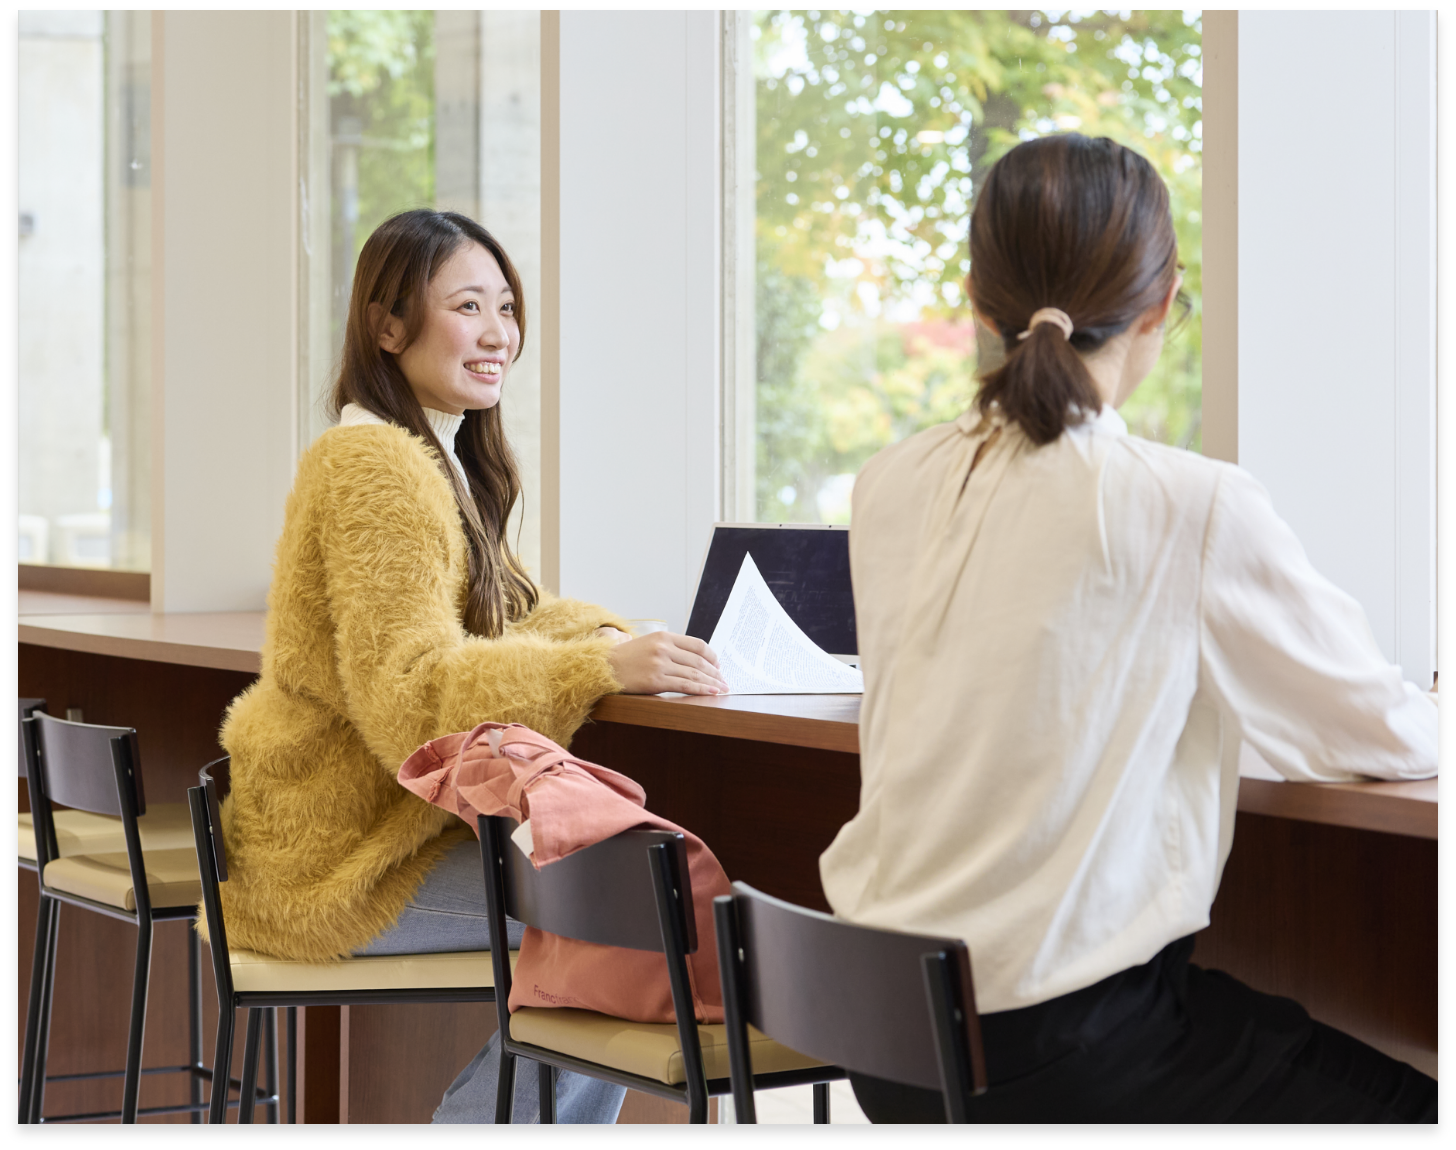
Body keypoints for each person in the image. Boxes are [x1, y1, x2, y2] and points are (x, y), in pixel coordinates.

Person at [821, 134, 1438, 1123]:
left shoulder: (890, 480)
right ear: (1161, 305)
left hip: (886, 1032)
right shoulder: (1186, 503)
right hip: (1065, 1055)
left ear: (979, 300)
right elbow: (1381, 732)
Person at [208, 209, 729, 1123]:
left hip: (376, 840)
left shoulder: (431, 455)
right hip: (342, 869)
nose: (499, 334)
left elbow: (512, 618)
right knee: (638, 918)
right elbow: (413, 696)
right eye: (468, 307)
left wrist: (617, 639)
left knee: (634, 899)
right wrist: (601, 669)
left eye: (506, 307)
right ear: (388, 326)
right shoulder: (377, 464)